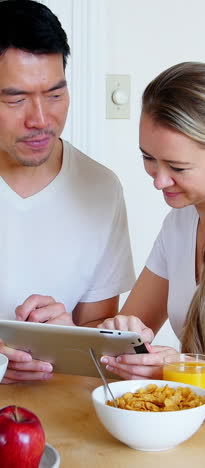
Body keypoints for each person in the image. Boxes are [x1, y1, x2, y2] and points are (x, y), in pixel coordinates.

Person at [98, 61, 205, 425]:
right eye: (148, 158)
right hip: (196, 432)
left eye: (177, 166)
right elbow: (132, 327)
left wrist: (181, 369)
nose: (159, 181)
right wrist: (123, 336)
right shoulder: (178, 224)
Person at [0, 0, 135, 383]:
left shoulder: (101, 189)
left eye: (55, 95)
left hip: (60, 412)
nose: (40, 119)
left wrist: (67, 333)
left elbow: (97, 331)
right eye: (16, 99)